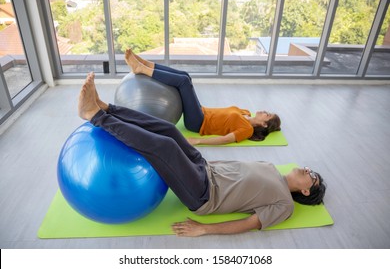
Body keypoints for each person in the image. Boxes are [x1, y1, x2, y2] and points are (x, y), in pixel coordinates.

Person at [78, 72, 326, 237]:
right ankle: (107, 107)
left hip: (205, 194)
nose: (306, 169)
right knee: (168, 130)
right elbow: (234, 168)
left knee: (165, 147)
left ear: (306, 191)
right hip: (205, 168)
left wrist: (204, 229)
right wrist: (196, 157)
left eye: (311, 175)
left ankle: (95, 116)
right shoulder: (271, 167)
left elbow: (249, 224)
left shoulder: (284, 204)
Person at [124, 49, 281, 146]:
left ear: (265, 124)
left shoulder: (246, 130)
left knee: (184, 81)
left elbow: (225, 139)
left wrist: (197, 141)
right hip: (201, 111)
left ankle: (142, 69)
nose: (264, 111)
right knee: (186, 76)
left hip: (198, 123)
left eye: (267, 114)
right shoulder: (245, 112)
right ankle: (144, 63)